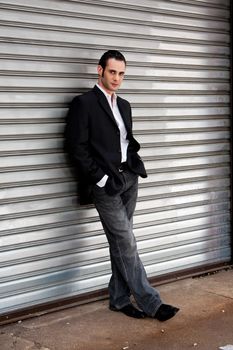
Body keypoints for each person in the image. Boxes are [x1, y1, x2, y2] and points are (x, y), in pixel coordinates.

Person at [65, 50, 179, 321]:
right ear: (100, 70)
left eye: (121, 73)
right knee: (126, 241)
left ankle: (118, 298)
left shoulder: (125, 105)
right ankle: (151, 302)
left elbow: (124, 140)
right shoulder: (84, 103)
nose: (117, 78)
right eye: (112, 72)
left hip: (128, 178)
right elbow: (75, 148)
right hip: (105, 184)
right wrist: (101, 178)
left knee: (121, 242)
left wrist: (133, 166)